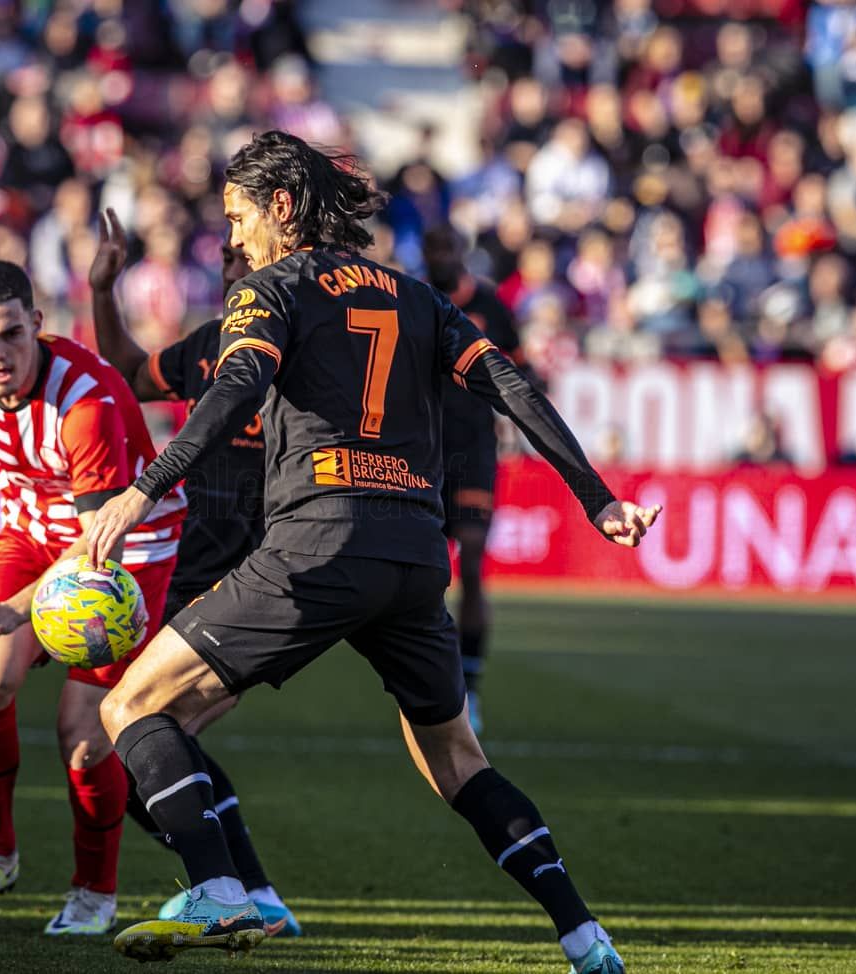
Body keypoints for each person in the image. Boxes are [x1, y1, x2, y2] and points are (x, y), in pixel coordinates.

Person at [86, 131, 660, 973]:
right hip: (415, 559)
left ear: (281, 208)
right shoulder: (416, 296)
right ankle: (583, 934)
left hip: (316, 548)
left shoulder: (270, 289)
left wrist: (145, 487)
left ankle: (218, 888)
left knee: (130, 709)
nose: (234, 237)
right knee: (459, 762)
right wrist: (597, 498)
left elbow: (237, 383)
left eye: (240, 216)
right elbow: (509, 383)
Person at [0, 260, 186, 936]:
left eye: (11, 335)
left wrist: (18, 610)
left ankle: (94, 893)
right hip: (34, 532)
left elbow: (100, 536)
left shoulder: (86, 403)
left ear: (37, 326)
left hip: (122, 554)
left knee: (84, 739)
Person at [88, 210, 301, 938]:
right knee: (154, 738)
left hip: (254, 585)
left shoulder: (305, 355)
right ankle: (253, 893)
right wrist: (104, 290)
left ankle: (229, 889)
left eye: (253, 272)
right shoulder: (210, 348)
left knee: (129, 737)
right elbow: (126, 369)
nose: (242, 283)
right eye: (234, 274)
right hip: (190, 576)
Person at [422, 225, 524, 734]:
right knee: (424, 570)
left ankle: (471, 684)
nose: (439, 255)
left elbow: (521, 370)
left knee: (475, 561)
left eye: (445, 246)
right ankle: (433, 683)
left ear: (459, 251)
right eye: (432, 248)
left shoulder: (489, 304)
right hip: (422, 448)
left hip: (474, 447)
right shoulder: (413, 298)